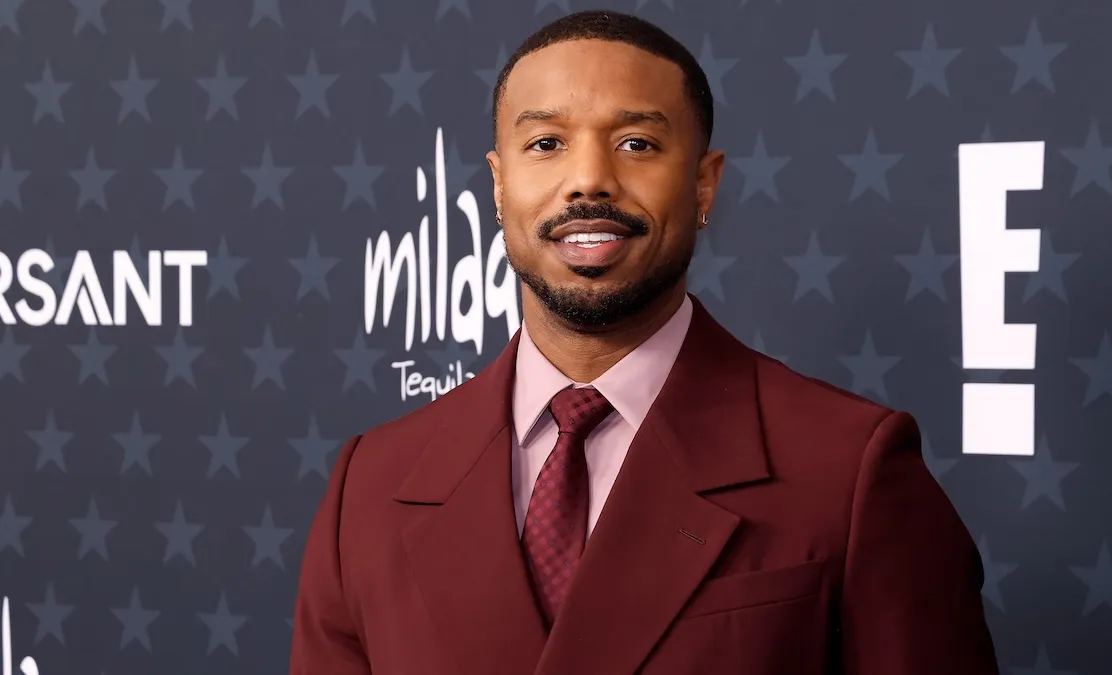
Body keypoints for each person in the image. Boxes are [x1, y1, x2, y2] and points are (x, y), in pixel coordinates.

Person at [289, 9, 999, 675]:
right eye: (546, 144)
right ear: (500, 187)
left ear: (704, 186)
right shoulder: (370, 486)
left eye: (637, 144)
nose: (589, 179)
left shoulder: (850, 468)